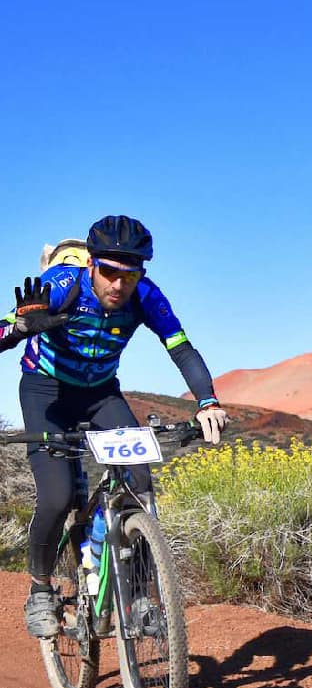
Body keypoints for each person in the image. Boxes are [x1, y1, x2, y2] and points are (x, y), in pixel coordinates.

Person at [0, 215, 228, 638]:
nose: (118, 285)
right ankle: (40, 591)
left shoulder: (146, 296)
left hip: (100, 392)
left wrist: (207, 401)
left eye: (130, 274)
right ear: (91, 265)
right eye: (108, 272)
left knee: (139, 484)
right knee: (57, 495)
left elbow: (182, 349)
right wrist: (17, 328)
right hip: (45, 391)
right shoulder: (64, 286)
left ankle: (138, 594)